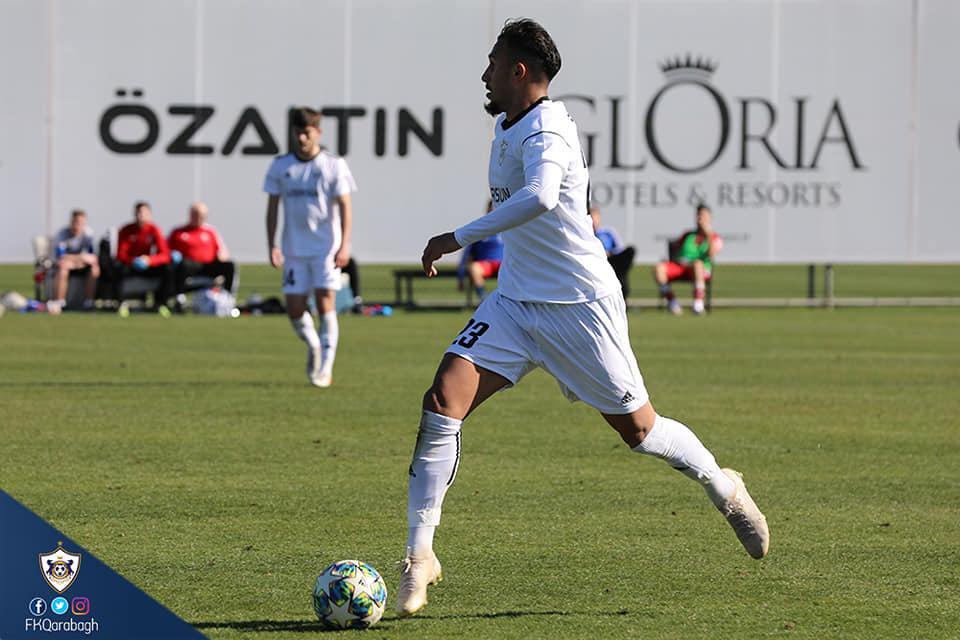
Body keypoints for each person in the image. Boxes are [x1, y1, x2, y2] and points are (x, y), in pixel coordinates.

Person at [396, 19, 768, 617]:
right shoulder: (507, 124)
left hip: (580, 308)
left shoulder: (549, 130)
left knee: (640, 432)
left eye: (493, 63)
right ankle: (420, 555)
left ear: (519, 71)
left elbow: (543, 196)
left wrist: (456, 237)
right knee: (442, 400)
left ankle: (722, 485)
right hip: (515, 305)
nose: (485, 74)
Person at [264, 107, 357, 388]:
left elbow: (345, 207)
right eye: (297, 133)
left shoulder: (333, 165)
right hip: (293, 250)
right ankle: (314, 345)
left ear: (318, 132)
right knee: (294, 309)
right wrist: (272, 244)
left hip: (326, 249)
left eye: (307, 132)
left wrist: (344, 246)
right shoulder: (281, 166)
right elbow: (272, 208)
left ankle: (325, 367)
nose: (302, 138)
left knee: (326, 303)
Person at [654, 204, 722, 315]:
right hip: (682, 267)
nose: (700, 218)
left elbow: (711, 254)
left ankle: (698, 304)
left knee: (697, 264)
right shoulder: (688, 235)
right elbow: (676, 250)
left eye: (703, 216)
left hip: (701, 270)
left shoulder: (714, 237)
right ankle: (672, 302)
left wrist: (708, 235)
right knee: (660, 268)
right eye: (698, 215)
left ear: (710, 218)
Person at [167, 201, 237, 300]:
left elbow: (222, 251)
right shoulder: (178, 232)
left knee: (230, 265)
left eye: (201, 215)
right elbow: (166, 250)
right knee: (183, 264)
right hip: (189, 266)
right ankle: (179, 296)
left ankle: (228, 297)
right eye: (195, 214)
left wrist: (222, 256)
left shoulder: (211, 231)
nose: (198, 218)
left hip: (208, 266)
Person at [114, 201, 174, 313]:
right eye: (139, 213)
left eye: (144, 213)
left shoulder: (154, 230)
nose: (141, 215)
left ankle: (161, 303)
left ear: (150, 214)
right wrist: (133, 260)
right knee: (117, 267)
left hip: (147, 265)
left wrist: (149, 260)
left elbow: (165, 254)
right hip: (131, 265)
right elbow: (120, 254)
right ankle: (120, 303)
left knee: (167, 269)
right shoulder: (126, 230)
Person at [47, 209, 100, 314]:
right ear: (71, 222)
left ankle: (89, 303)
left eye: (81, 222)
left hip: (81, 265)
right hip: (66, 265)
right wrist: (81, 258)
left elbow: (93, 258)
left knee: (94, 269)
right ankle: (60, 302)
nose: (78, 225)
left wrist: (76, 259)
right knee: (63, 268)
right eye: (76, 222)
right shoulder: (62, 235)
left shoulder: (89, 234)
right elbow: (61, 258)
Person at [456, 201, 503, 303]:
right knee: (474, 268)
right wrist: (461, 275)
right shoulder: (481, 228)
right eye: (491, 208)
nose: (493, 210)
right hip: (486, 264)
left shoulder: (508, 227)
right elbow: (467, 254)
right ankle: (484, 298)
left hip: (503, 264)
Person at [590, 206, 636, 298]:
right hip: (595, 261)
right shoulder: (587, 234)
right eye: (592, 219)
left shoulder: (608, 232)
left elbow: (619, 248)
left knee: (631, 250)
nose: (594, 222)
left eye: (596, 218)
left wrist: (609, 253)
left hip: (611, 259)